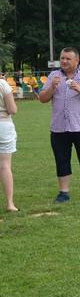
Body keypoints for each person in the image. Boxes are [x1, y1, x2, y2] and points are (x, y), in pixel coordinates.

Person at [38, 47, 80, 202]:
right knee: (61, 160)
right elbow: (42, 98)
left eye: (68, 58)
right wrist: (52, 87)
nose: (64, 61)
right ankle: (63, 192)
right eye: (62, 58)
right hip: (59, 127)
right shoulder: (53, 76)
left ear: (76, 60)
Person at [0, 76, 19, 212]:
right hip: (3, 126)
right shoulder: (2, 84)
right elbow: (12, 110)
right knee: (5, 166)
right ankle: (10, 203)